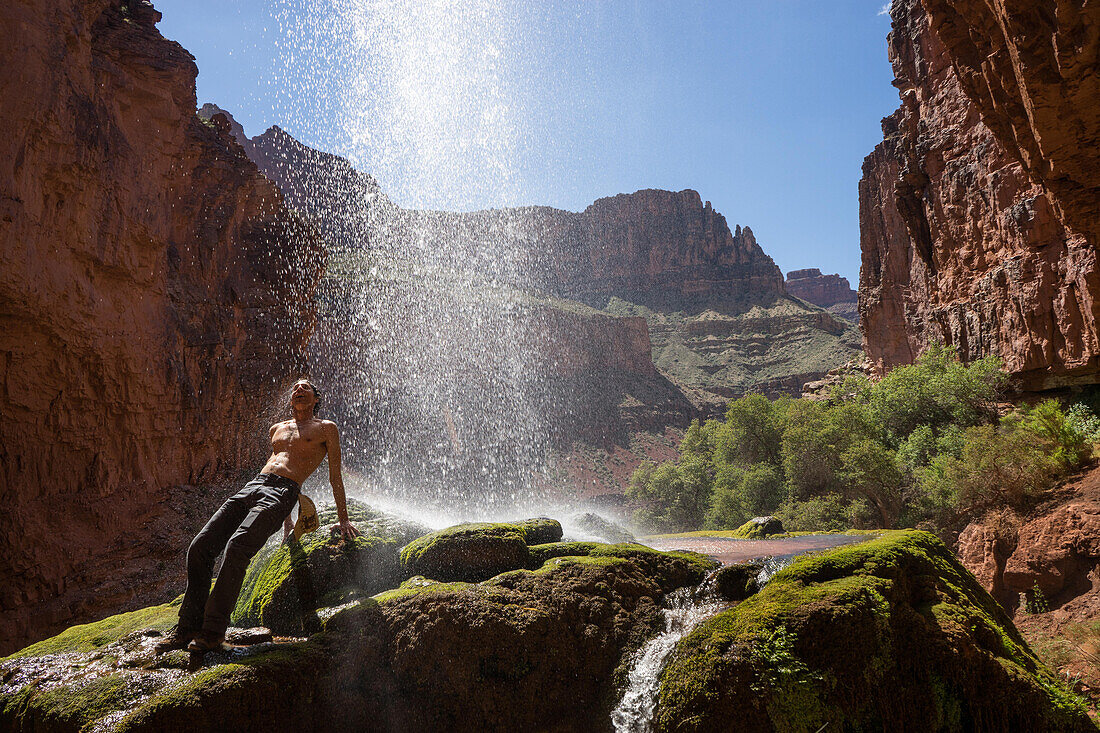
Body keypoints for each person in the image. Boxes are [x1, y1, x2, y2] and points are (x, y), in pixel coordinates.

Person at [156, 378, 361, 653]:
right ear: (291, 401)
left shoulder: (326, 429)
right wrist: (289, 523)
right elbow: (277, 461)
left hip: (284, 491)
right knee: (200, 547)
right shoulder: (277, 429)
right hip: (254, 485)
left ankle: (213, 632)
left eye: (306, 389)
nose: (299, 391)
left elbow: (335, 476)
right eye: (295, 389)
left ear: (315, 400)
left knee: (238, 546)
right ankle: (187, 628)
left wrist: (343, 518)